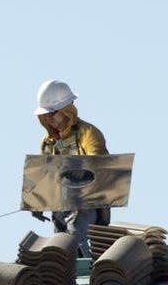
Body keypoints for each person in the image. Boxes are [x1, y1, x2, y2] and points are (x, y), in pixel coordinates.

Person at [32, 79, 110, 257]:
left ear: (68, 109)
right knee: (60, 242)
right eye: (46, 115)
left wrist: (80, 169)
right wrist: (37, 203)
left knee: (76, 233)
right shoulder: (48, 143)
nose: (49, 119)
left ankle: (87, 270)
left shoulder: (88, 133)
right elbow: (44, 175)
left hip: (87, 204)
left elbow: (99, 163)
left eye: (53, 113)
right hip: (60, 205)